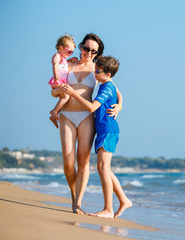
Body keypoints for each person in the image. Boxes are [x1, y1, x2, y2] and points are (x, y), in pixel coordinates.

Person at [51, 33, 122, 214]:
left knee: (83, 161)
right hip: (67, 114)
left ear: (97, 53)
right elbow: (54, 92)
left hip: (86, 118)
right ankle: (74, 195)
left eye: (93, 51)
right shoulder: (68, 64)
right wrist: (59, 90)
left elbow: (116, 91)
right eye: (86, 48)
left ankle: (78, 203)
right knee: (68, 162)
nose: (88, 53)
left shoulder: (97, 69)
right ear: (80, 46)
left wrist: (120, 106)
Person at [62, 56, 132, 218]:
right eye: (95, 69)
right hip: (104, 131)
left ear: (108, 74)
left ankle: (108, 209)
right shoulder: (106, 84)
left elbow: (92, 107)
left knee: (102, 168)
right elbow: (118, 94)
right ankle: (123, 200)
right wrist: (120, 105)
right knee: (104, 169)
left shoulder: (106, 87)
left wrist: (73, 93)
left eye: (98, 71)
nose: (94, 73)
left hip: (108, 130)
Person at [48, 34, 76, 128]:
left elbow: (64, 65)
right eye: (68, 51)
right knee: (66, 97)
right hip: (58, 80)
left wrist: (70, 60)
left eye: (72, 52)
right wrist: (56, 74)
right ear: (60, 48)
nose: (69, 54)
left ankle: (55, 115)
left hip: (61, 81)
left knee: (63, 99)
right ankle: (54, 111)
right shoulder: (57, 56)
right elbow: (55, 64)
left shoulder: (63, 58)